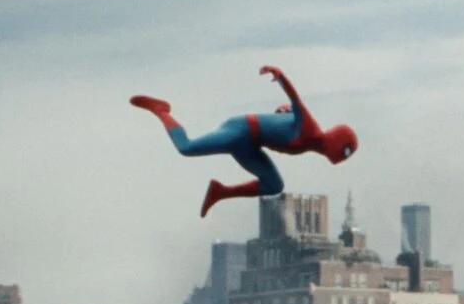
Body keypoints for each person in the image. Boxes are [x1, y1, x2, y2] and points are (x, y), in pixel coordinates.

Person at [131, 66, 358, 217]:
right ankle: (161, 110)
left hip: (251, 146)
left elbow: (286, 110)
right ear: (337, 141)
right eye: (345, 152)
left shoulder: (308, 139)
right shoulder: (309, 129)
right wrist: (279, 76)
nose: (342, 157)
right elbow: (295, 99)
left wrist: (281, 113)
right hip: (241, 131)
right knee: (186, 147)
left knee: (275, 185)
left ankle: (220, 191)